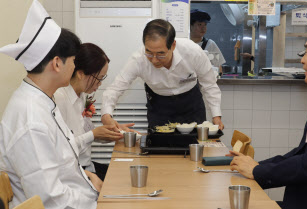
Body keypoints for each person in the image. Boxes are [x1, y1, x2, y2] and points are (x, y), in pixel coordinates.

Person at [227, 22, 307, 209]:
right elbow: (304, 151)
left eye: (306, 52)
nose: (302, 60)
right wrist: (258, 166)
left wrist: (259, 171)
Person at [0, 1, 98, 208]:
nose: (74, 67)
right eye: (73, 61)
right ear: (56, 63)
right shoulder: (31, 118)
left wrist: (88, 179)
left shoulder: (43, 100)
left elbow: (62, 160)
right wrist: (95, 201)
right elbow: (50, 199)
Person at [101, 19, 224, 129]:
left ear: (173, 45)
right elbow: (115, 88)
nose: (154, 60)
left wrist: (216, 116)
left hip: (191, 104)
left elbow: (209, 84)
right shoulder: (138, 59)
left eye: (160, 54)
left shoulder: (193, 52)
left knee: (195, 146)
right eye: (149, 52)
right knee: (159, 147)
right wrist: (106, 116)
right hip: (159, 107)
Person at [54, 43, 126, 181]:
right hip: (74, 173)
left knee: (123, 175)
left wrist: (112, 133)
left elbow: (86, 133)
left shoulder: (81, 96)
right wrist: (93, 135)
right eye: (99, 78)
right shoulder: (59, 98)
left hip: (87, 166)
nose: (99, 84)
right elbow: (61, 150)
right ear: (81, 74)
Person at [190, 9, 226, 73]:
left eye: (205, 25)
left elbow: (218, 68)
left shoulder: (210, 44)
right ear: (190, 26)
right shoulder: (183, 43)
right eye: (200, 24)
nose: (203, 28)